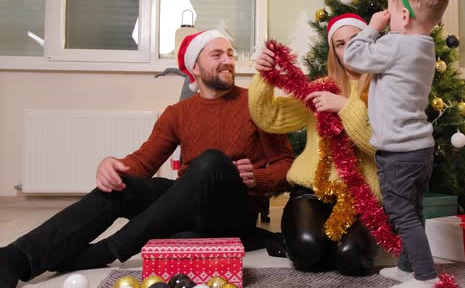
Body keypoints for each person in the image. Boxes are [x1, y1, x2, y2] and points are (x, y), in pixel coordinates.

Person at [0, 30, 294, 288]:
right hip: (182, 210)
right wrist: (112, 166)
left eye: (230, 54)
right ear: (194, 66)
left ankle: (109, 250)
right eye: (216, 54)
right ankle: (15, 259)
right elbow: (144, 162)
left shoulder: (255, 104)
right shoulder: (177, 113)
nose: (228, 61)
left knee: (212, 162)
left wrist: (259, 177)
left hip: (231, 210)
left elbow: (287, 164)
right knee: (121, 187)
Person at [249, 13, 379, 276]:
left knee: (352, 259)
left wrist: (343, 106)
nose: (349, 49)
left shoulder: (385, 89)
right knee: (309, 251)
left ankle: (338, 242)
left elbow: (380, 143)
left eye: (356, 39)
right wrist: (265, 76)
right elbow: (270, 118)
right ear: (334, 52)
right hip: (312, 193)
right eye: (340, 44)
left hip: (362, 199)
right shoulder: (322, 87)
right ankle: (304, 237)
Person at [343, 0, 449, 287]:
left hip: (399, 151)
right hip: (420, 148)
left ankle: (426, 276)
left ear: (403, 16)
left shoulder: (394, 44)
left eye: (390, 12)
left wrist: (372, 27)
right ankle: (407, 268)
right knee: (413, 211)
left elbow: (353, 57)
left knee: (402, 214)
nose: (386, 20)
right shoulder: (425, 47)